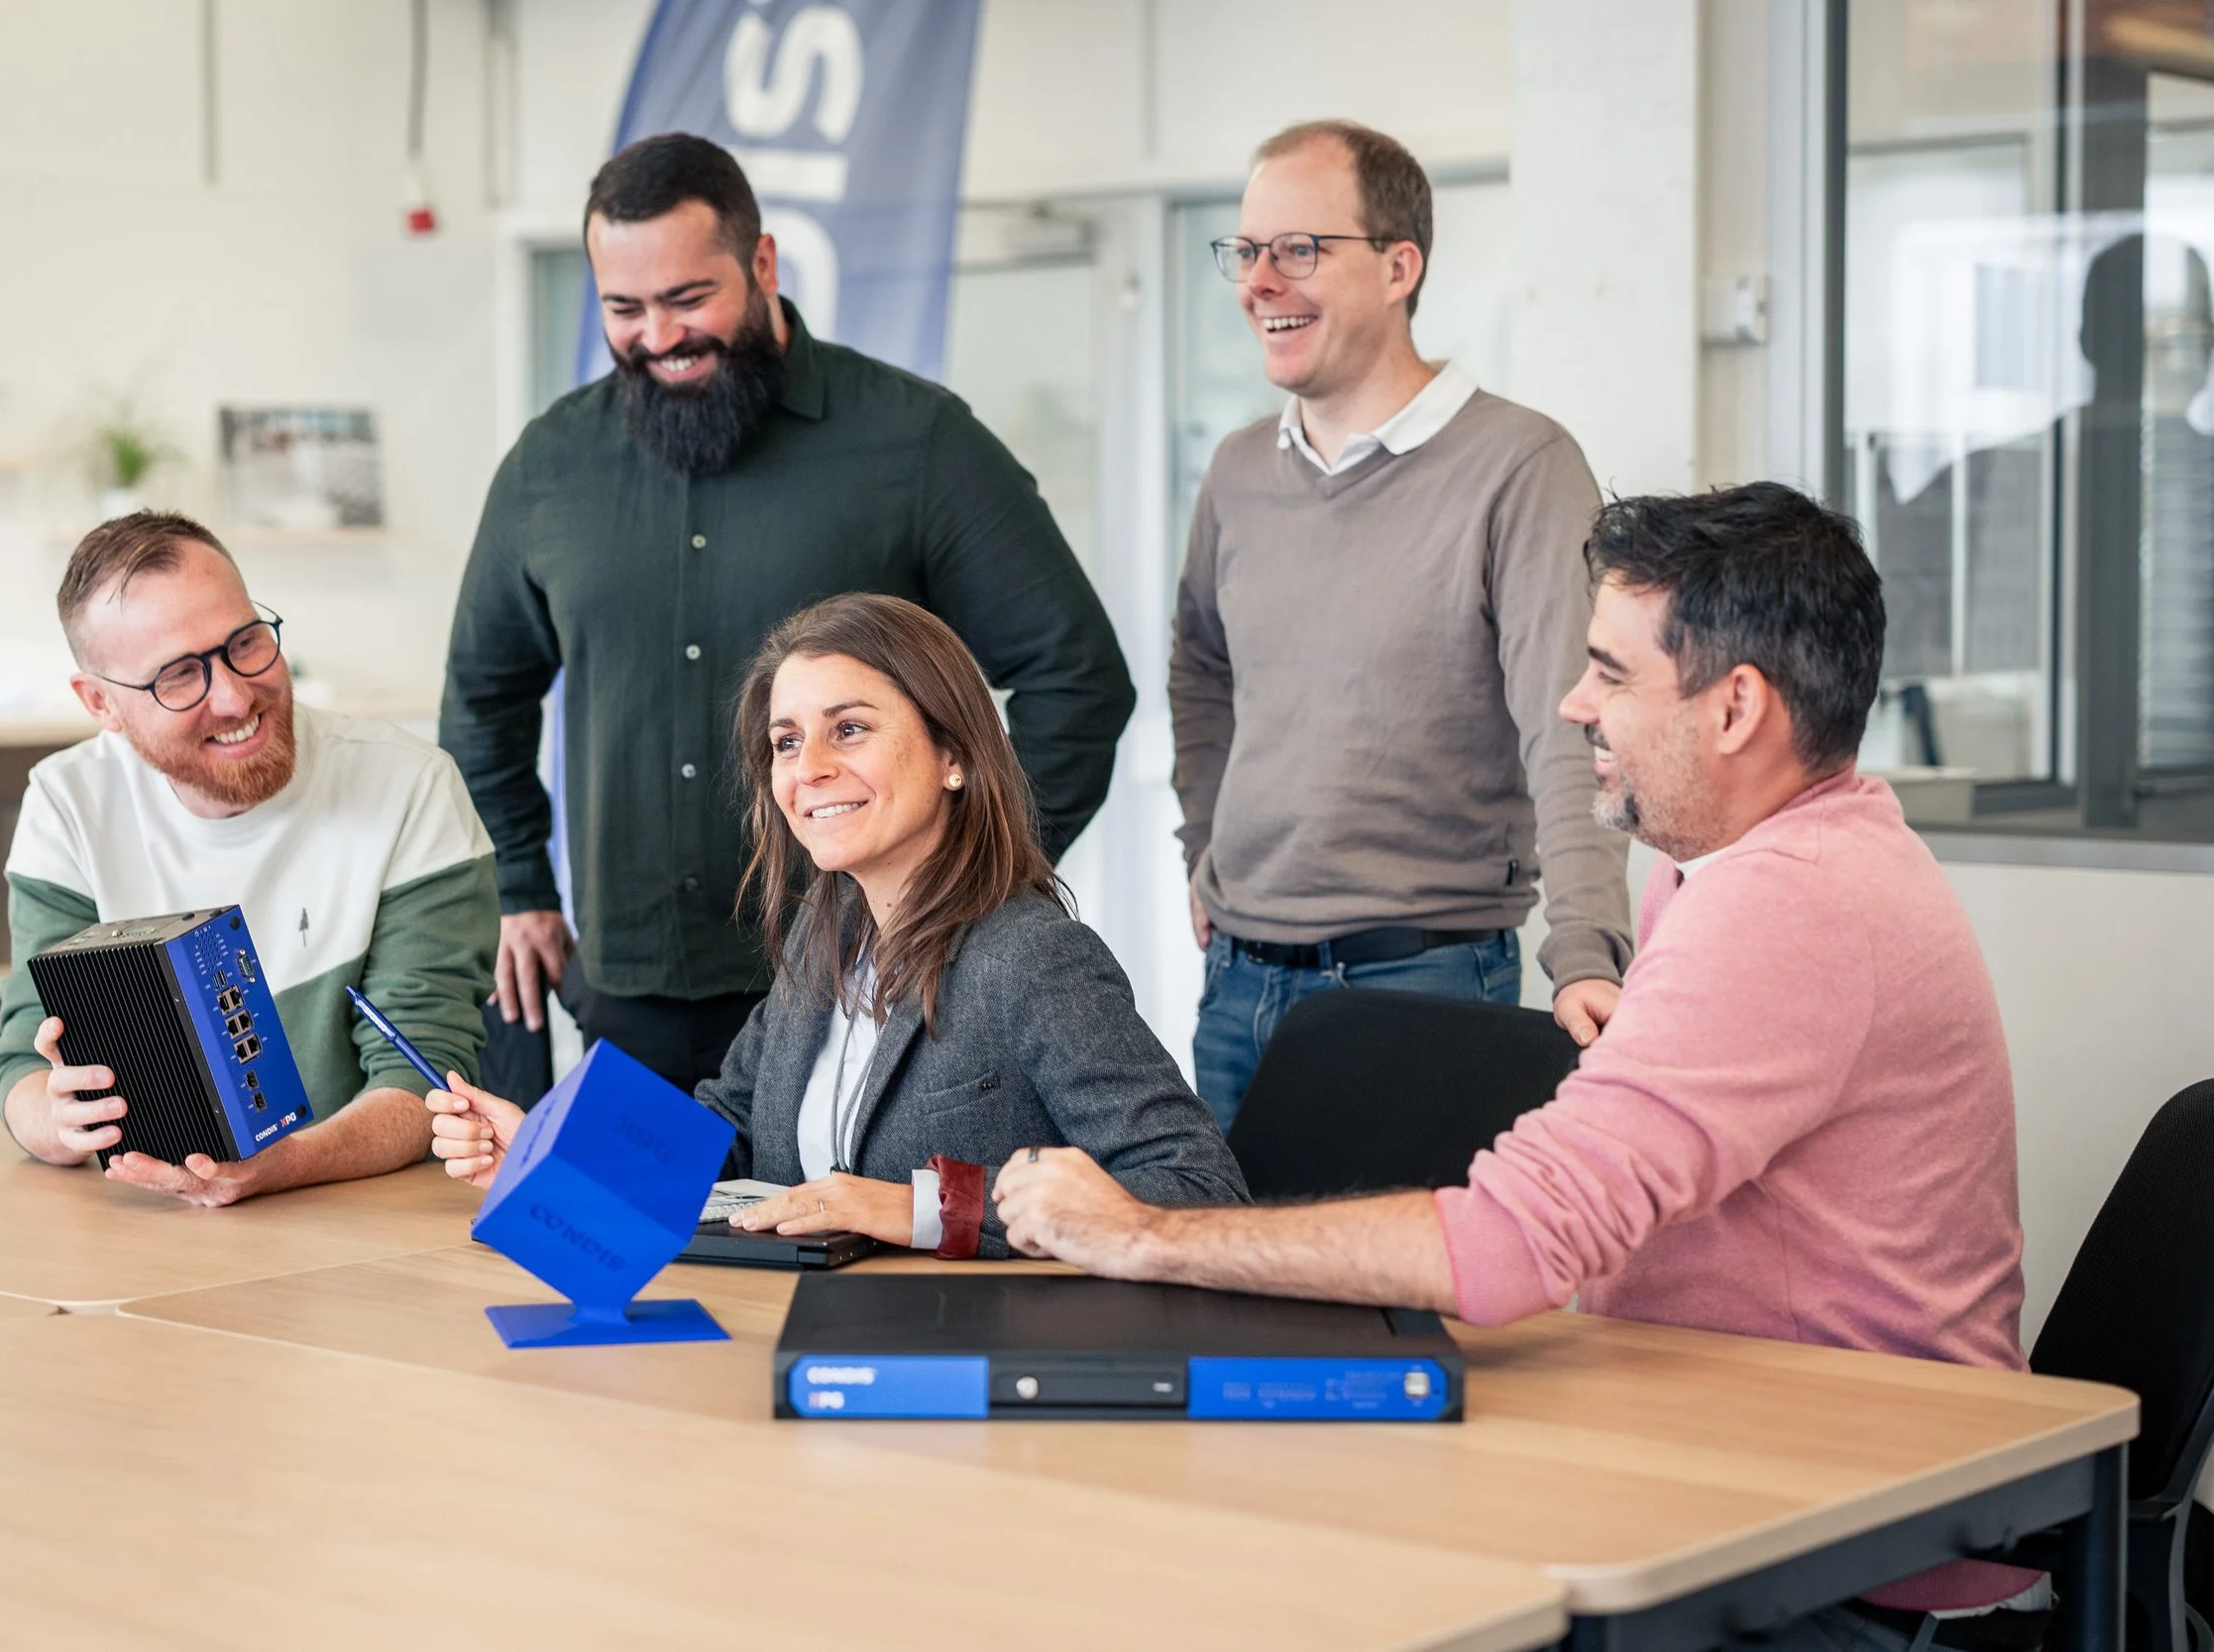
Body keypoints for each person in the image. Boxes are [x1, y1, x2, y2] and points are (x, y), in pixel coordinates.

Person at [1000, 484, 2039, 1643]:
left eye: (1611, 671)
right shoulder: (1759, 848)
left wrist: (1141, 1234)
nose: (1573, 702)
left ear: (1736, 706)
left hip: (1847, 1564)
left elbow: (1510, 1245)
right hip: (1761, 1469)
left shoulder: (1790, 901)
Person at [441, 133, 1134, 1099]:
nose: (660, 336)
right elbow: (481, 700)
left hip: (865, 990)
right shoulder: (548, 465)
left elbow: (1077, 677)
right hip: (625, 994)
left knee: (836, 1247)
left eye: (689, 299)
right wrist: (520, 885)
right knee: (630, 1246)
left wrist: (963, 889)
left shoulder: (915, 440)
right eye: (624, 309)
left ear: (762, 264)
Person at [429, 595, 1243, 1258]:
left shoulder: (1031, 957)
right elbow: (727, 1142)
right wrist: (548, 1150)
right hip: (797, 1344)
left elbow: (1196, 1188)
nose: (808, 766)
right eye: (787, 741)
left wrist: (919, 1208)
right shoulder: (824, 947)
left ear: (954, 753)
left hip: (959, 1377)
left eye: (848, 729)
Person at [1174, 119, 1631, 1130]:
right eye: (1245, 251)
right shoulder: (1240, 467)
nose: (1259, 280)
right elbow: (1198, 668)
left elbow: (1571, 722)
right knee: (1209, 1283)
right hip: (1236, 989)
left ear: (1397, 266)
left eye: (1298, 248)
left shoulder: (1519, 465)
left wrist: (1587, 947)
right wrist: (1200, 841)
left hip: (1421, 986)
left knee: (1408, 1292)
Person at [0, 512, 498, 1207]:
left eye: (246, 642)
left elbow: (422, 1077)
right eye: (178, 676)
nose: (234, 696)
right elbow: (23, 1056)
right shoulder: (68, 801)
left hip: (354, 1213)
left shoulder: (410, 786)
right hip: (139, 1220)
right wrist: (55, 1119)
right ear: (101, 702)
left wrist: (282, 1164)